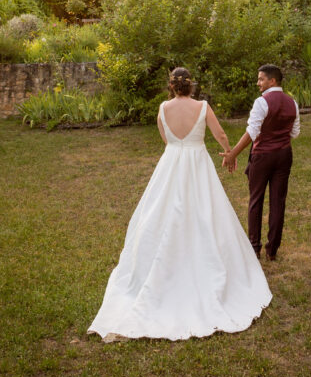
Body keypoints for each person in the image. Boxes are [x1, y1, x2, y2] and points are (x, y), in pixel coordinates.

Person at [87, 67, 272, 341]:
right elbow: (219, 134)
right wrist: (229, 153)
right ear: (191, 86)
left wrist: (178, 144)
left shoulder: (162, 108)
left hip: (171, 163)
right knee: (206, 213)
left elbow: (165, 138)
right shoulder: (203, 106)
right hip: (197, 163)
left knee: (160, 212)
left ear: (171, 86)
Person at [221, 64, 299, 261]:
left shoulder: (262, 102)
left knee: (255, 200)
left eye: (261, 79)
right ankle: (272, 250)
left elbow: (252, 133)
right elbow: (295, 133)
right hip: (284, 155)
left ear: (272, 80)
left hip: (263, 156)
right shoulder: (293, 102)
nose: (258, 83)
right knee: (278, 202)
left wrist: (233, 154)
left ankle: (254, 248)